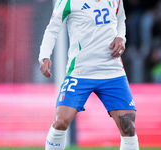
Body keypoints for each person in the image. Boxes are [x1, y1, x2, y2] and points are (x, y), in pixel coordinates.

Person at [38, 0, 139, 149]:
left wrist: (121, 37)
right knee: (60, 122)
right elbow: (52, 28)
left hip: (112, 71)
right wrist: (45, 56)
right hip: (80, 72)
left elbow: (120, 20)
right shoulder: (68, 1)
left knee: (128, 126)